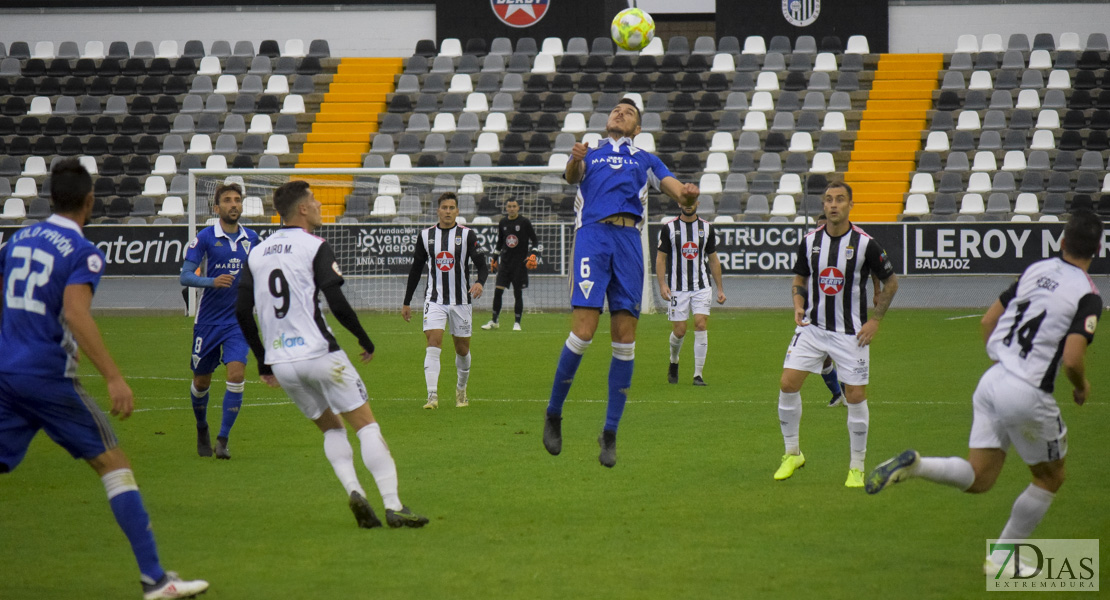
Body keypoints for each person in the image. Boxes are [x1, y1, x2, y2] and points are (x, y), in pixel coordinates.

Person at [0, 159, 208, 599]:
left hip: (5, 373)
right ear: (90, 201)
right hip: (47, 377)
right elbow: (76, 313)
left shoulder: (17, 239)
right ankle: (155, 580)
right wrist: (114, 377)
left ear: (49, 198)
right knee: (114, 464)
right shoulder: (82, 251)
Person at [866, 210, 1103, 576]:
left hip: (993, 380)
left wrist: (1004, 361)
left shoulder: (1036, 270)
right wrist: (1082, 386)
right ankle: (1003, 558)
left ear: (1062, 241)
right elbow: (1072, 358)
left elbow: (988, 320)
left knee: (980, 478)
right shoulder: (1089, 295)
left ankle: (918, 465)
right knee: (1050, 477)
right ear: (1099, 249)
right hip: (1027, 391)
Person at [235, 180, 427, 529]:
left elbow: (242, 311)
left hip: (283, 363)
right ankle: (394, 505)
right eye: (315, 201)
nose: (321, 205)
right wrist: (364, 338)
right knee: (367, 426)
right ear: (303, 209)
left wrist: (263, 361)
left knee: (331, 430)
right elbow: (335, 300)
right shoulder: (314, 246)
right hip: (321, 354)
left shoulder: (256, 252)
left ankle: (354, 489)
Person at [542, 97, 700, 468]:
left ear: (638, 129)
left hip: (630, 242)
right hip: (593, 238)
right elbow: (571, 177)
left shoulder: (644, 157)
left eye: (629, 112)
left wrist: (688, 196)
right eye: (616, 109)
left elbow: (676, 189)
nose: (620, 113)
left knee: (625, 339)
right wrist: (574, 157)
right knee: (583, 332)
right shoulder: (591, 149)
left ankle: (610, 431)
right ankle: (553, 413)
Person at [773, 182, 898, 487]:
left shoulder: (866, 244)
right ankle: (792, 453)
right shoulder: (810, 241)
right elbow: (800, 275)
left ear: (850, 205)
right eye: (829, 199)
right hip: (813, 328)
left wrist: (875, 321)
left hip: (850, 333)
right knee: (788, 383)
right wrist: (798, 304)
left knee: (854, 395)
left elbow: (891, 282)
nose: (833, 205)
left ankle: (856, 466)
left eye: (840, 200)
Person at [179, 182, 259, 459]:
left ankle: (223, 439)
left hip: (239, 322)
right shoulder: (203, 238)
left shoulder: (253, 239)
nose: (234, 204)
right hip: (208, 322)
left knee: (236, 376)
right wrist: (211, 281)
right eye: (227, 200)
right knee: (201, 383)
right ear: (217, 207)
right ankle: (202, 427)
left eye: (237, 200)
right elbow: (185, 276)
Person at [402, 192, 488, 410]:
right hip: (435, 299)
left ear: (457, 211)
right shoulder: (426, 236)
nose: (448, 211)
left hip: (461, 301)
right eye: (444, 207)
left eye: (452, 208)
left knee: (462, 349)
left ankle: (461, 389)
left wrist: (480, 282)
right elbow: (415, 269)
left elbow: (482, 264)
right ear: (438, 211)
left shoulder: (467, 235)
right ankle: (432, 396)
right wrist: (406, 301)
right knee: (434, 342)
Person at [655, 197, 726, 386]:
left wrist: (719, 288)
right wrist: (662, 284)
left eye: (692, 202)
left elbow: (713, 259)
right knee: (679, 331)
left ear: (698, 204)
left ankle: (698, 375)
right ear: (679, 204)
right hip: (677, 288)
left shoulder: (707, 228)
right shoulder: (669, 228)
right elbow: (661, 258)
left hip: (701, 286)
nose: (688, 204)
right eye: (684, 201)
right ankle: (674, 360)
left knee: (701, 324)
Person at [481, 198, 539, 332]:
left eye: (514, 206)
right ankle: (494, 321)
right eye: (509, 206)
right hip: (505, 264)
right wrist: (494, 258)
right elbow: (500, 242)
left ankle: (517, 322)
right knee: (498, 291)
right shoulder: (503, 222)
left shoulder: (524, 222)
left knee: (517, 294)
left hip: (520, 265)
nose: (511, 208)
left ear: (518, 208)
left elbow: (535, 241)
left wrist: (533, 254)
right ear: (506, 208)